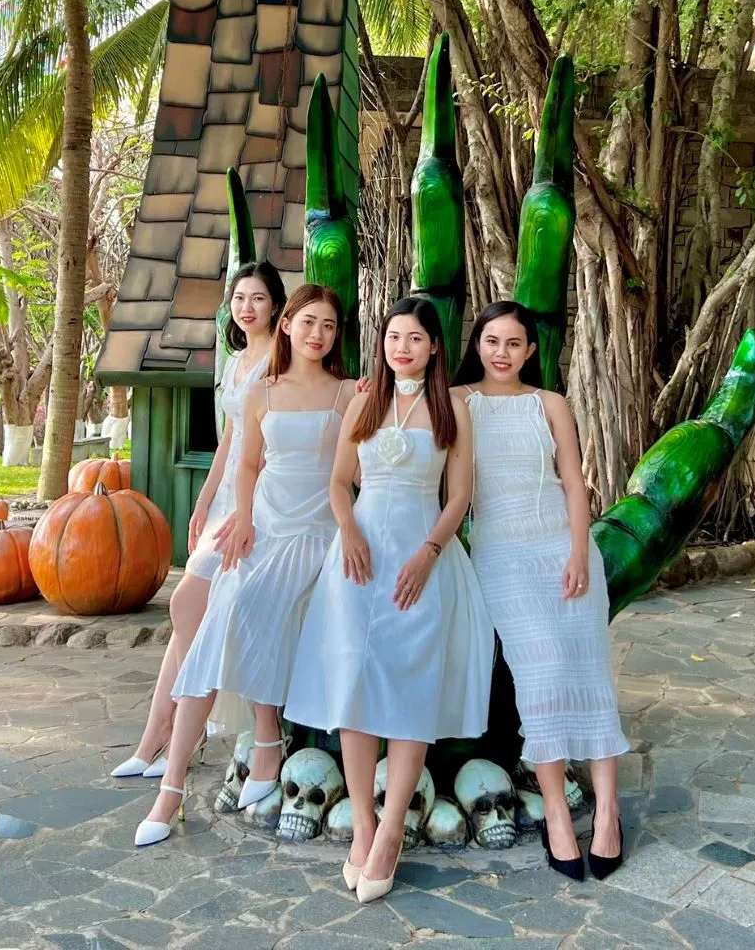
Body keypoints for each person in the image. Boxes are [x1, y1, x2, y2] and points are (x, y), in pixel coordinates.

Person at [288, 296, 491, 903]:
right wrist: (348, 530)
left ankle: (393, 826)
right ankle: (363, 825)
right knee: (354, 680)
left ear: (434, 347)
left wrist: (429, 554)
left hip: (420, 558)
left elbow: (459, 496)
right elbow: (338, 481)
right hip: (360, 558)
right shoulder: (364, 401)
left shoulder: (452, 408)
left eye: (415, 338)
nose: (403, 347)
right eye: (394, 337)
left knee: (411, 686)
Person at [135, 285, 352, 848]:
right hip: (264, 525)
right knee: (214, 626)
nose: (318, 334)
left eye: (329, 325)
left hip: (317, 532)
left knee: (248, 609)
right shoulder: (262, 390)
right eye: (308, 322)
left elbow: (363, 463)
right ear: (288, 325)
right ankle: (172, 789)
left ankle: (267, 735)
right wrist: (245, 518)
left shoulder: (348, 392)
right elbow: (248, 464)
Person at [456, 300, 628, 880]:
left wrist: (580, 551)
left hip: (563, 548)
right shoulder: (457, 402)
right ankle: (556, 810)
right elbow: (394, 404)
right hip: (501, 557)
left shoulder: (549, 403)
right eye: (491, 341)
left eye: (513, 343)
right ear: (477, 344)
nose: (501, 353)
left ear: (531, 350)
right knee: (542, 675)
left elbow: (574, 483)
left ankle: (607, 813)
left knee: (591, 673)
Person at [113, 262, 286, 781]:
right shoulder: (236, 359)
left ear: (276, 305)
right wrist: (204, 498)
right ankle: (158, 736)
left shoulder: (280, 359)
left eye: (258, 298)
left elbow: (270, 442)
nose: (247, 307)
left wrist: (244, 507)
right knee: (190, 617)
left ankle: (176, 734)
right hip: (226, 494)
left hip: (258, 499)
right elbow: (230, 436)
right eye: (239, 298)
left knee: (188, 605)